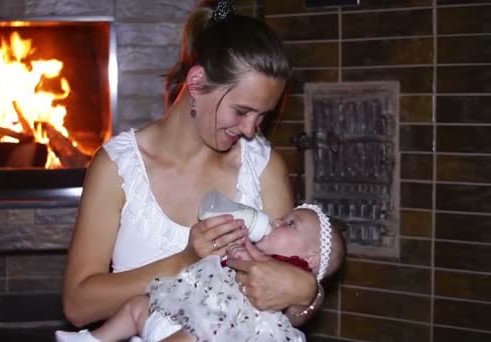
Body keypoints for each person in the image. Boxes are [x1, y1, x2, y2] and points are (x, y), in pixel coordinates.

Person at [61, 0, 321, 337]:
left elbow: (286, 313)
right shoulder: (119, 168)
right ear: (196, 83)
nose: (250, 129)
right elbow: (77, 306)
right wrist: (183, 260)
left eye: (262, 116)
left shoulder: (262, 167)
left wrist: (306, 292)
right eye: (242, 111)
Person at [56, 204, 346, 341]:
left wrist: (303, 288)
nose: (279, 220)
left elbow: (283, 296)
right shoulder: (260, 245)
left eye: (291, 224)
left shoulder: (293, 268)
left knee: (199, 334)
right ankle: (92, 339)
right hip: (194, 309)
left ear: (309, 258)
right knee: (140, 303)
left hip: (225, 327)